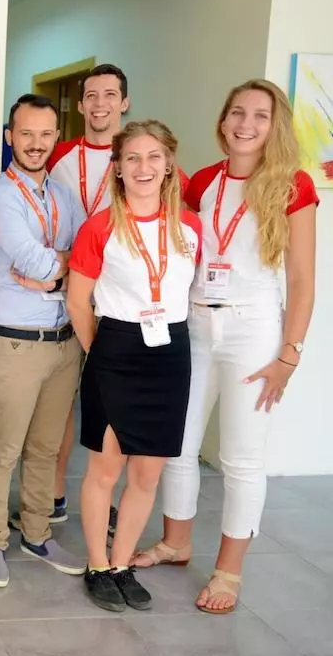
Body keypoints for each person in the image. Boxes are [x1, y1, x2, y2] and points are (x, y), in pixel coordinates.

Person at [134, 80, 318, 615]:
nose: (245, 124)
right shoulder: (203, 184)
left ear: (274, 126)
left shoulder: (292, 185)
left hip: (253, 328)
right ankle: (176, 541)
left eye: (260, 116)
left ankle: (229, 570)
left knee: (241, 457)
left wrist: (290, 353)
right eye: (237, 112)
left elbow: (303, 280)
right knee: (178, 445)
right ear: (223, 119)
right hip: (194, 323)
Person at [66, 120, 201, 613]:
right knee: (105, 469)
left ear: (168, 164)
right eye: (132, 159)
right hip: (116, 350)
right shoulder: (99, 227)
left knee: (148, 473)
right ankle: (98, 565)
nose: (143, 167)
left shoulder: (190, 226)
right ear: (118, 169)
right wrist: (100, 352)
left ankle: (122, 563)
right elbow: (79, 301)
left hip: (171, 352)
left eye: (153, 157)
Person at [0, 94, 87, 590]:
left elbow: (85, 257)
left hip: (63, 342)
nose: (36, 144)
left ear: (54, 138)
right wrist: (56, 267)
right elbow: (36, 260)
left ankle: (37, 533)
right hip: (13, 344)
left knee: (43, 449)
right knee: (3, 450)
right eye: (26, 134)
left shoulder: (63, 195)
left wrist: (54, 269)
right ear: (9, 137)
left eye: (45, 134)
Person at [46, 64, 131, 525]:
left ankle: (107, 496)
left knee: (112, 403)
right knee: (63, 400)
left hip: (121, 298)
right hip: (69, 293)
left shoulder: (138, 155)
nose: (100, 104)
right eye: (92, 96)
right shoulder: (59, 156)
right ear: (80, 106)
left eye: (110, 95)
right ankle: (56, 494)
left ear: (124, 102)